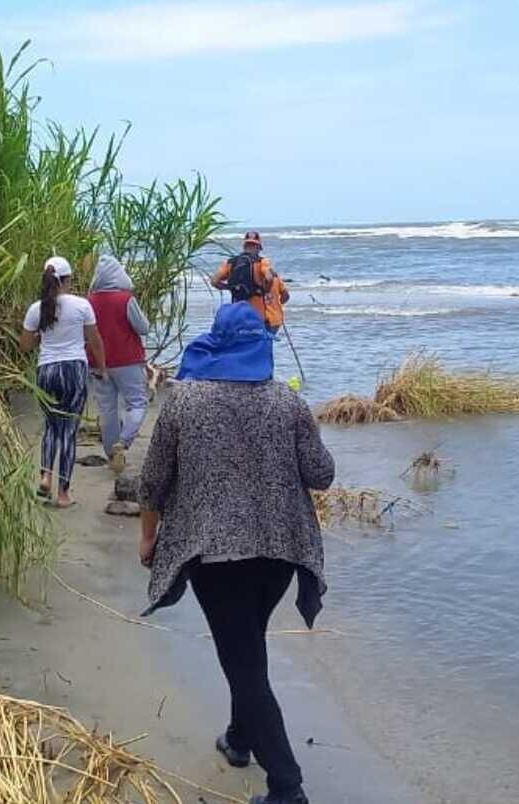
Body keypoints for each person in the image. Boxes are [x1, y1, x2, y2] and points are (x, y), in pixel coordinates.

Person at [138, 302, 332, 804]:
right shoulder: (287, 401)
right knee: (247, 645)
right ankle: (240, 738)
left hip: (215, 555)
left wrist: (148, 536)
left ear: (216, 342)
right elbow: (322, 474)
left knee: (242, 660)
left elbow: (154, 480)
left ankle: (287, 786)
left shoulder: (184, 400)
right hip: (281, 551)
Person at [21, 255, 105, 508]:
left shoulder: (36, 309)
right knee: (69, 430)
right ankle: (63, 493)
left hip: (47, 370)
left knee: (51, 426)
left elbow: (25, 345)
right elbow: (95, 339)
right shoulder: (81, 305)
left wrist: (40, 336)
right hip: (74, 369)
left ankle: (45, 476)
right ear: (68, 280)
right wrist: (102, 368)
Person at [88, 255, 152, 488]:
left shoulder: (89, 300)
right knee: (137, 403)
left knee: (107, 408)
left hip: (98, 361)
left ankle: (110, 454)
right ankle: (123, 443)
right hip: (127, 360)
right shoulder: (125, 299)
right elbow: (143, 327)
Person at [212, 231, 290, 332]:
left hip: (241, 317)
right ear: (259, 247)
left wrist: (230, 287)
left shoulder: (231, 263)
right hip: (264, 319)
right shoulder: (263, 263)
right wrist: (266, 290)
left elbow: (214, 281)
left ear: (244, 246)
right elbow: (271, 280)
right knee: (264, 340)